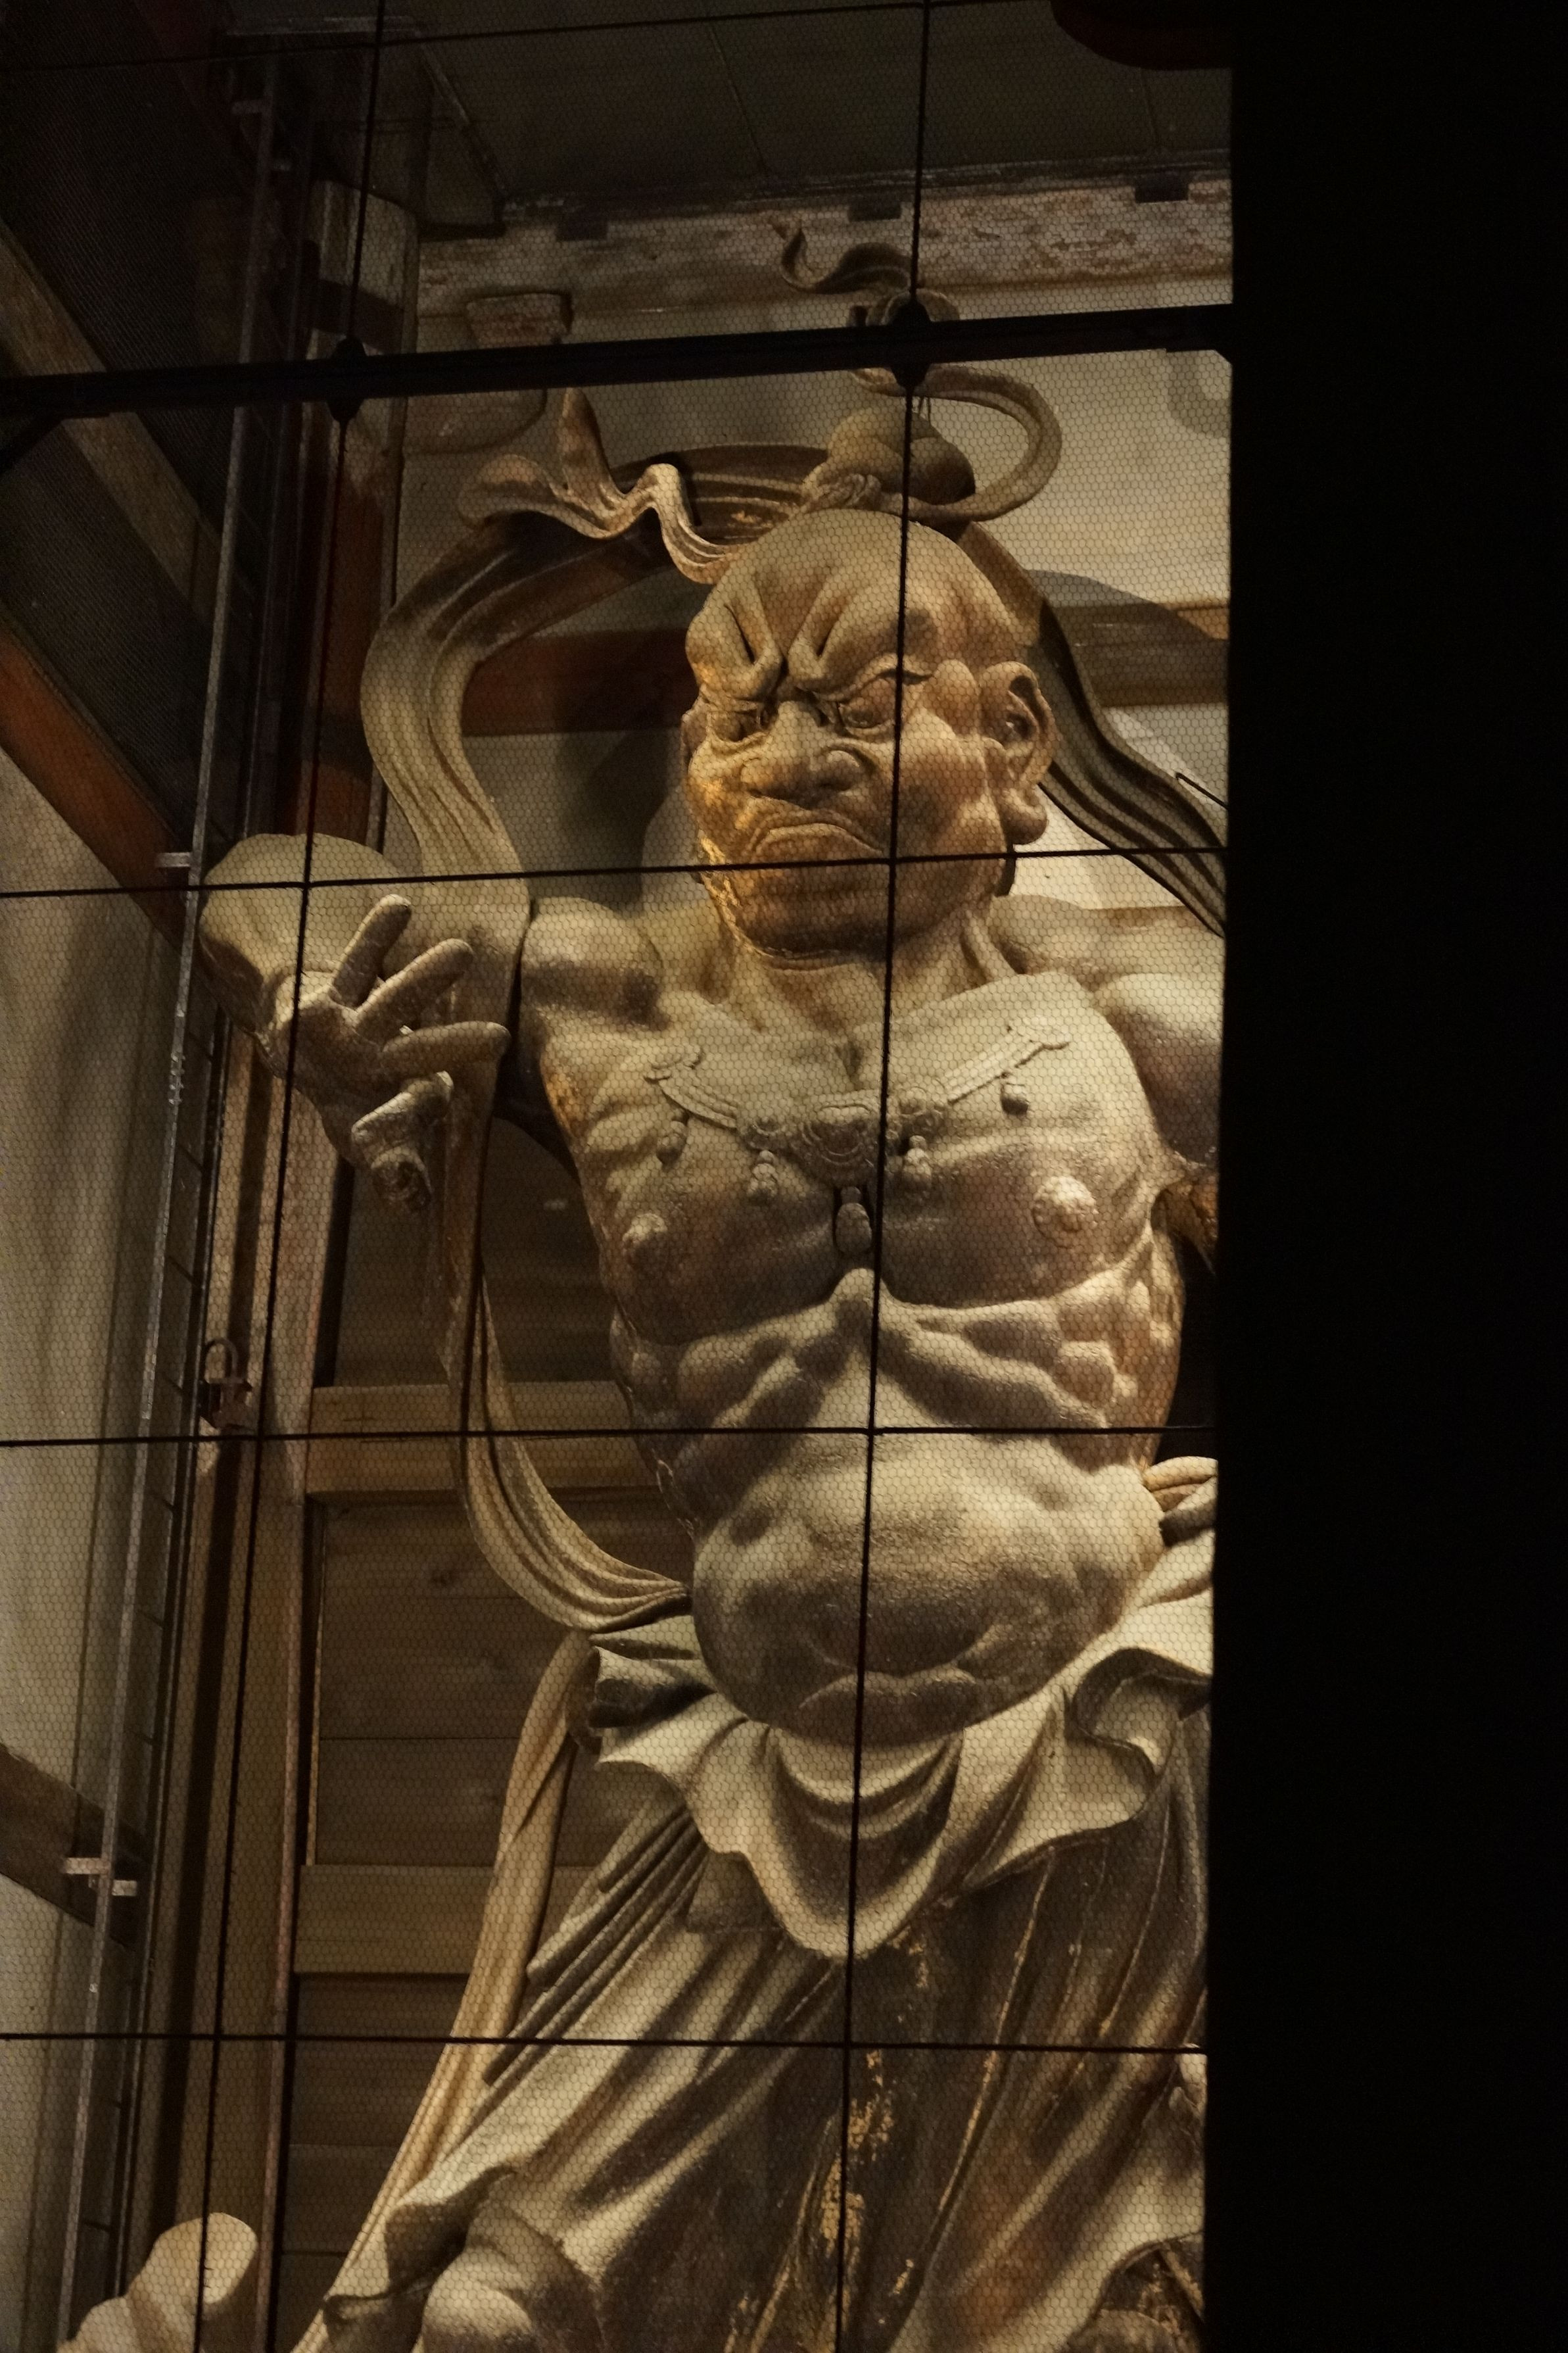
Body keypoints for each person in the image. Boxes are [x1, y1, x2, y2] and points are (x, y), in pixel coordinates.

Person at [197, 492, 1220, 2352]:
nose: (790, 757)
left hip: (1099, 1734)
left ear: (1011, 741)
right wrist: (315, 989)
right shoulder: (608, 1000)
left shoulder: (1132, 1016)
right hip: (744, 1775)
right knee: (492, 2315)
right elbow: (271, 871)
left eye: (859, 703)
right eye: (741, 712)